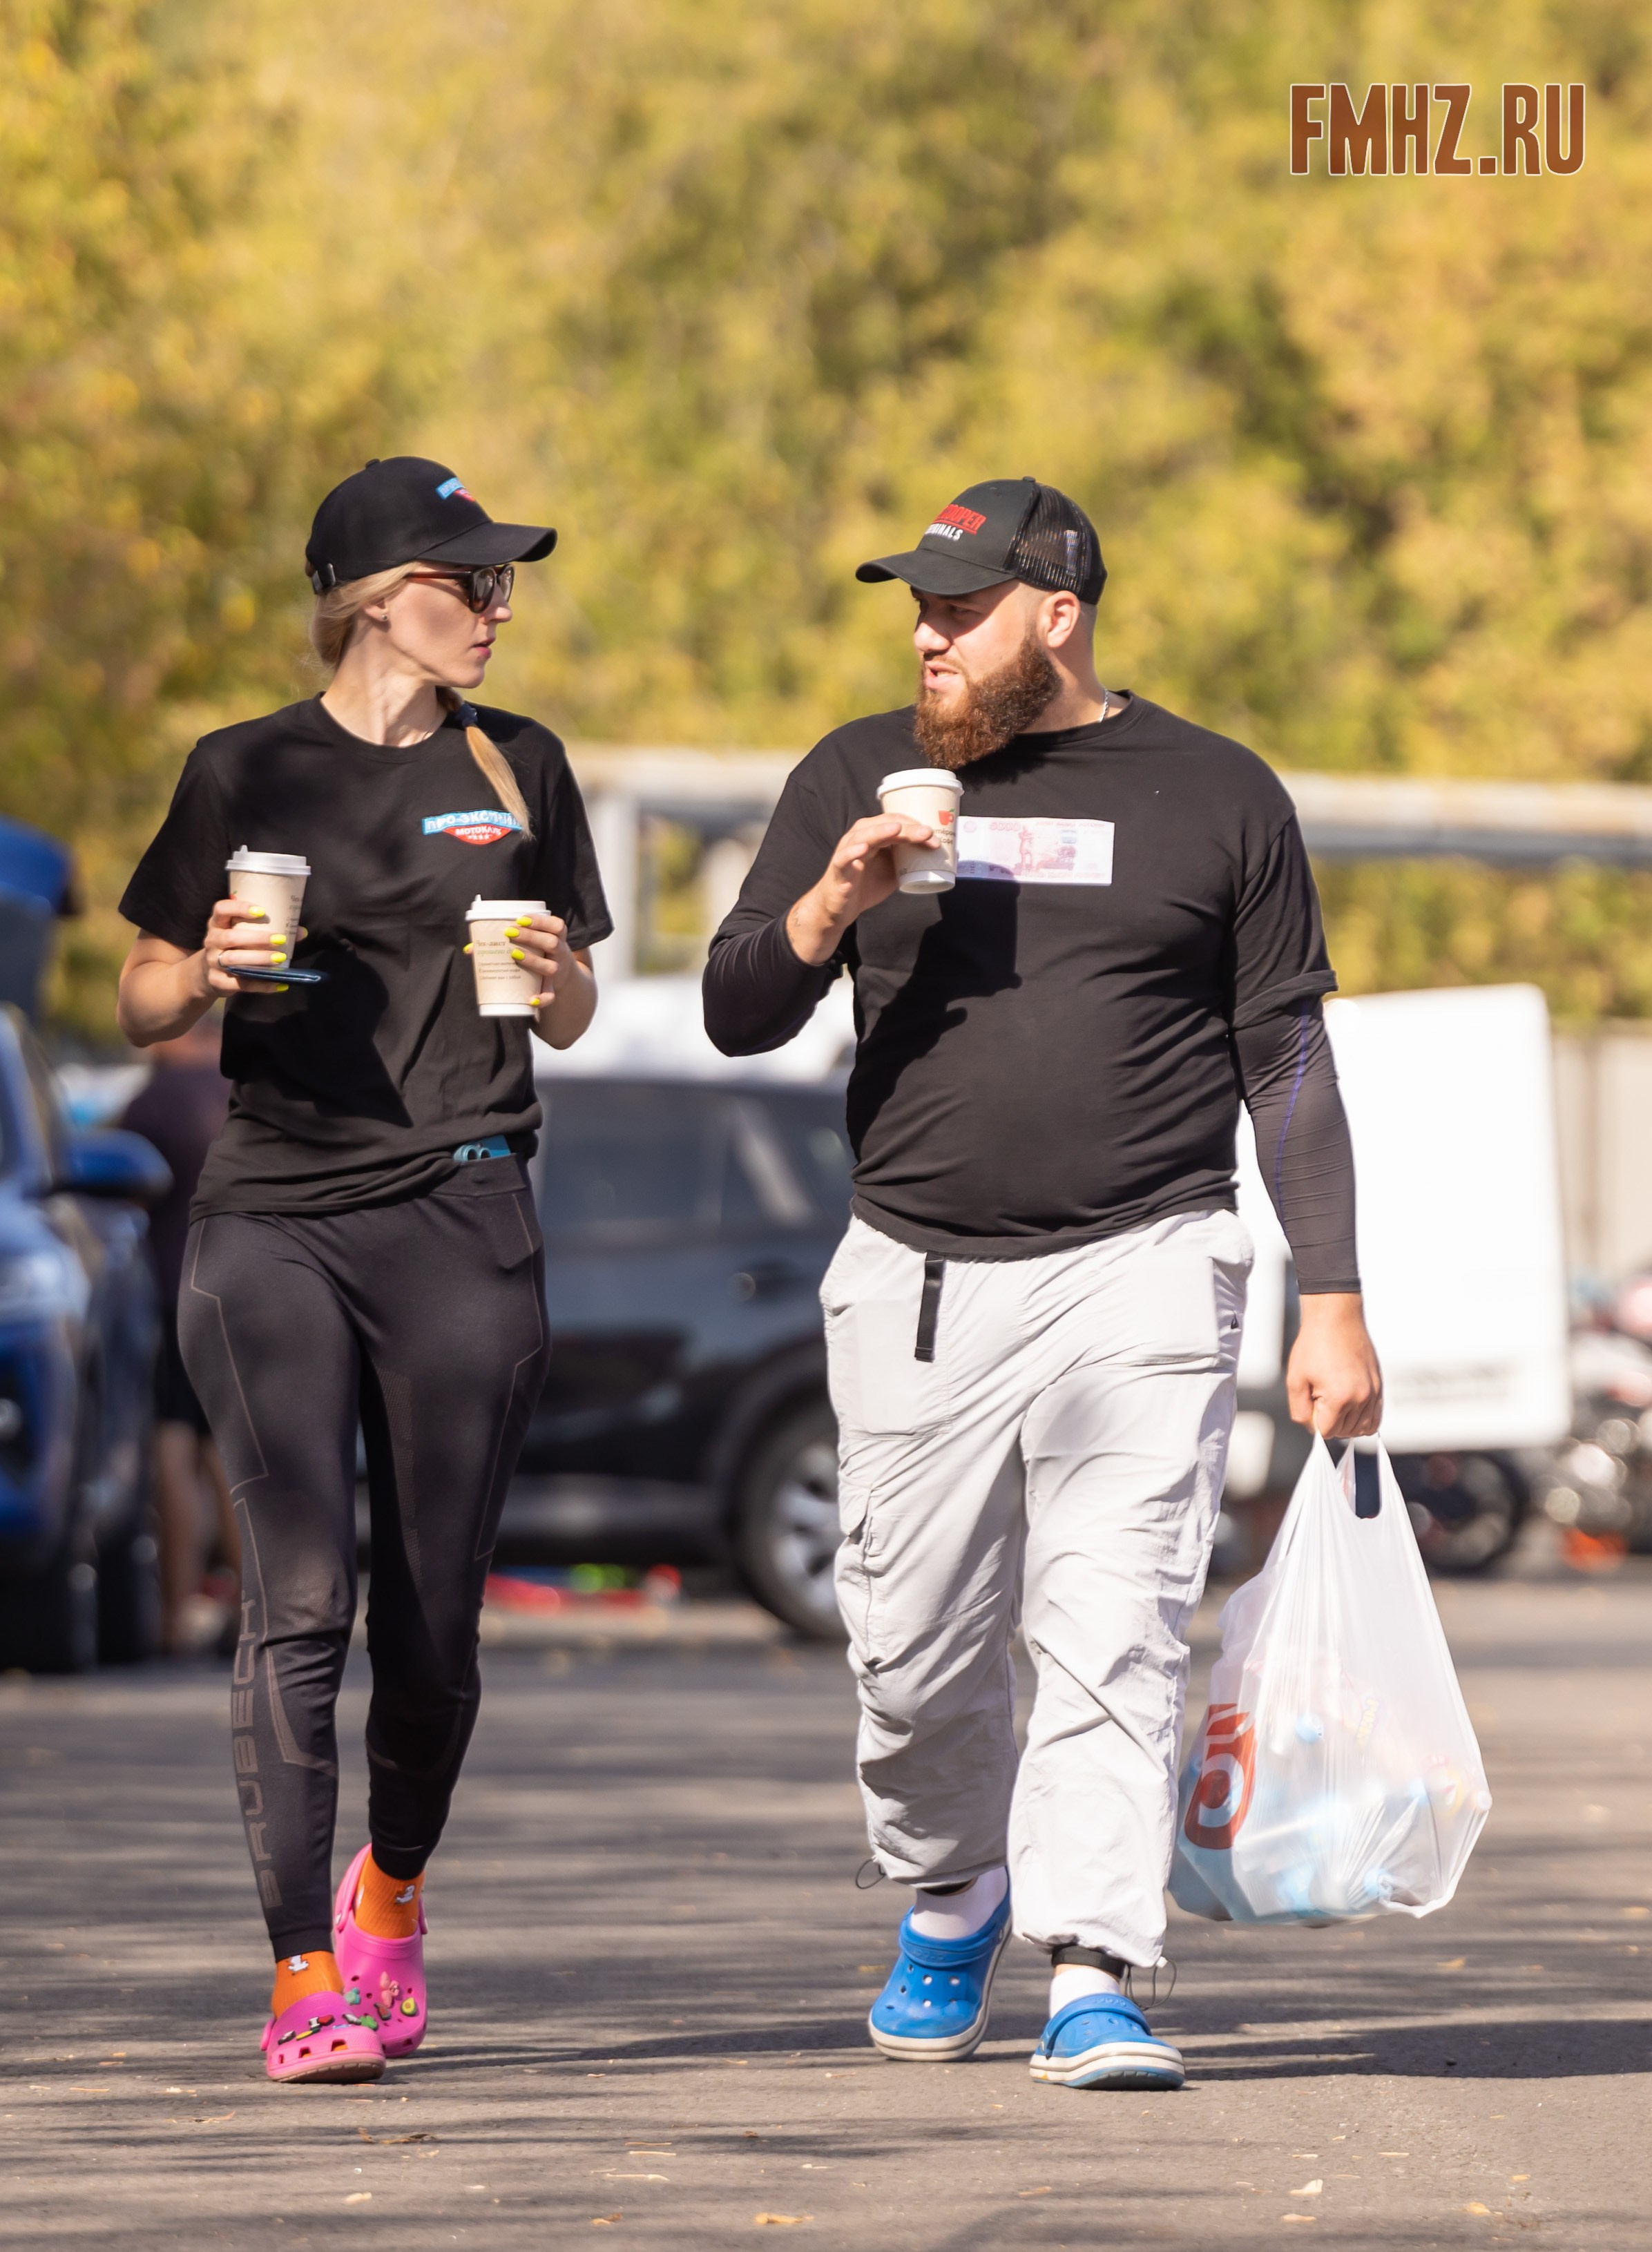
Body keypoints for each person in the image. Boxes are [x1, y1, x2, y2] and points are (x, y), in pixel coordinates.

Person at [703, 477, 1381, 2093]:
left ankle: (1094, 1962)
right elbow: (738, 1006)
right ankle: (953, 1885)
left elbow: (1281, 1048)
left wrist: (1335, 1290)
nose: (927, 635)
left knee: (1120, 1626)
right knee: (911, 1648)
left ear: (1056, 616)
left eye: (961, 607)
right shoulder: (857, 773)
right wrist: (839, 891)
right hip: (919, 1277)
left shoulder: (1219, 794)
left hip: (1148, 1264)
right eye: (917, 610)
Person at [115, 457, 610, 2084]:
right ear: (369, 594)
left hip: (467, 1208)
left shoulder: (517, 762)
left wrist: (552, 977)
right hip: (275, 1214)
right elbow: (137, 994)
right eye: (467, 579)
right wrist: (201, 964)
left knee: (436, 1621)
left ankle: (389, 1887)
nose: (496, 604)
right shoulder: (240, 766)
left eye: (501, 581)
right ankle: (299, 1968)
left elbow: (581, 1000)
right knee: (301, 1598)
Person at [119, 1014, 239, 1655]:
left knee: (173, 1445)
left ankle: (174, 1613)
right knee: (235, 1450)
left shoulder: (152, 1102)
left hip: (171, 1296)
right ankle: (258, 1610)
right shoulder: (245, 1093)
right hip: (248, 1296)